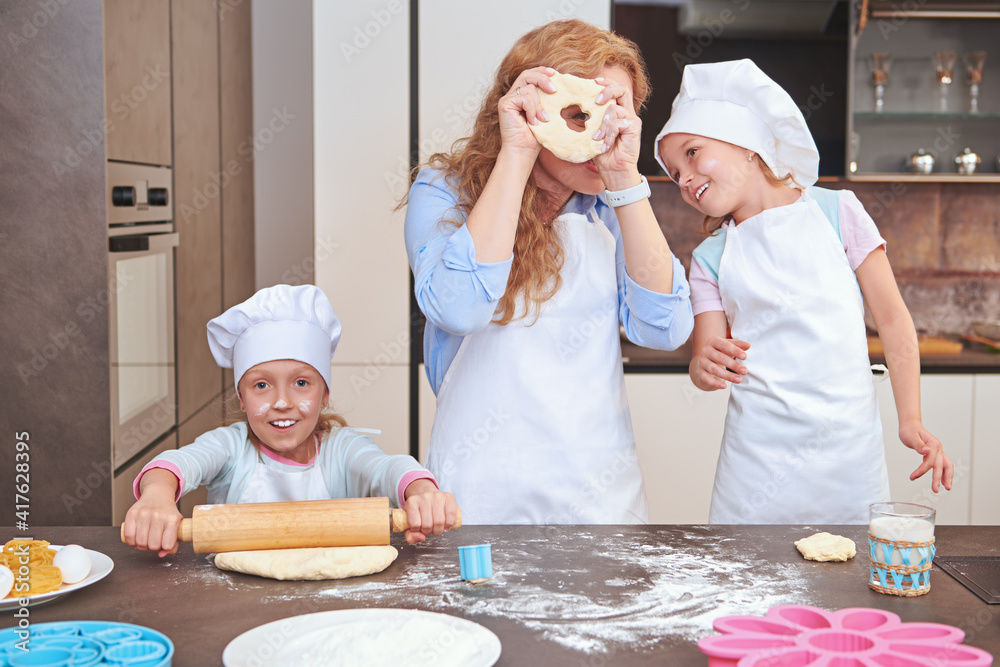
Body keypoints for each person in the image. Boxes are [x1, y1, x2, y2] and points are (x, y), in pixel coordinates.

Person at [404, 19, 693, 525]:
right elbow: (458, 307)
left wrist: (624, 177)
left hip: (597, 490)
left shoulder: (609, 206)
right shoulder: (446, 192)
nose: (601, 133)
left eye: (617, 113)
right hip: (482, 487)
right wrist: (518, 153)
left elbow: (665, 328)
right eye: (582, 115)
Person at [654, 59, 954, 524]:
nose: (684, 179)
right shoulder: (709, 259)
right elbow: (704, 358)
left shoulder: (838, 213)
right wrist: (704, 367)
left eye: (692, 153)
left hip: (848, 455)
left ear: (748, 146)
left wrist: (910, 419)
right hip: (756, 464)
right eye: (674, 174)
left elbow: (893, 321)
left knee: (850, 578)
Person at [122, 284, 457, 556]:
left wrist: (421, 491)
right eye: (261, 385)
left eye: (301, 383)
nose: (282, 402)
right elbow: (177, 463)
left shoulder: (341, 449)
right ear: (241, 398)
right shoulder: (231, 448)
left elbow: (388, 468)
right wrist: (156, 497)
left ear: (324, 394)